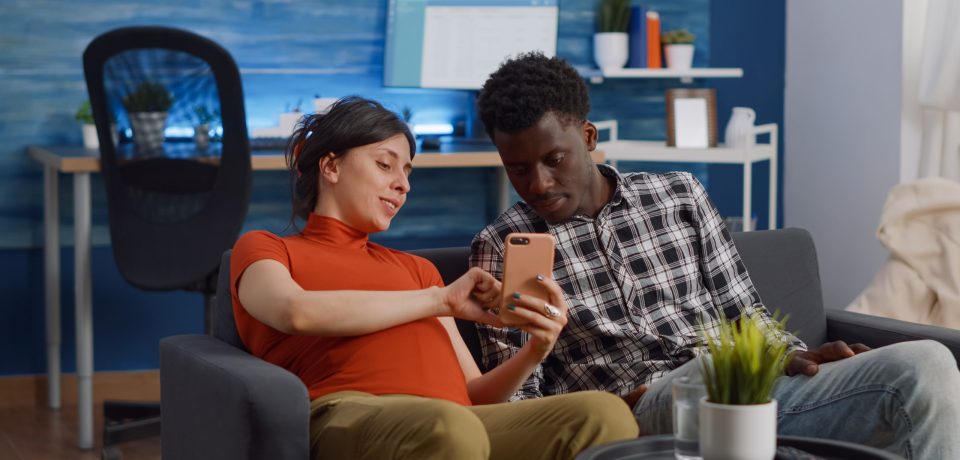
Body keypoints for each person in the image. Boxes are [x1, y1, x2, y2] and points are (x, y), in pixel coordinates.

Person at [470, 52, 960, 459]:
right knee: (703, 375)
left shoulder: (680, 194)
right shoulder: (500, 246)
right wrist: (613, 405)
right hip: (643, 406)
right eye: (518, 169)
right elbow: (521, 405)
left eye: (554, 160)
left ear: (589, 138)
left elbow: (745, 314)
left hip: (744, 384)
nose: (539, 184)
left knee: (927, 363)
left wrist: (794, 357)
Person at [230, 96, 638, 460]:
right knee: (449, 427)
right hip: (348, 413)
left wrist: (537, 348)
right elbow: (294, 311)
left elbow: (475, 394)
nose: (403, 185)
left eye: (407, 171)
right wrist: (439, 300)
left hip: (454, 422)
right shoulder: (267, 248)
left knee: (603, 414)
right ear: (331, 166)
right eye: (384, 164)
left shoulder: (417, 271)